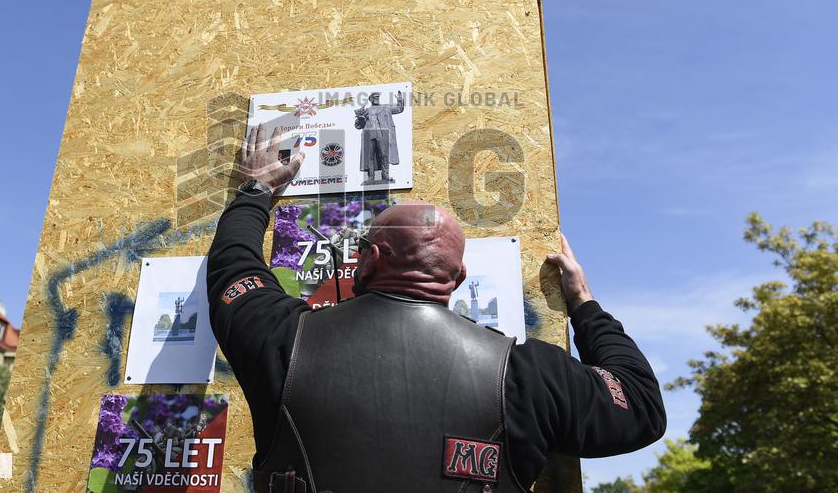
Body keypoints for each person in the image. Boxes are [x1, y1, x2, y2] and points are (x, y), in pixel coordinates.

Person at [208, 123, 666, 492]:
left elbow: (234, 269)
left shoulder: (283, 339)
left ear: (370, 258)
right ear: (458, 278)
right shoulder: (529, 375)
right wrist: (585, 305)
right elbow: (641, 405)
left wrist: (257, 190)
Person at [353, 90, 405, 183]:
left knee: (384, 154)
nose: (376, 98)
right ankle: (371, 177)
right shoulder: (366, 111)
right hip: (369, 134)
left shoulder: (386, 108)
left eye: (378, 96)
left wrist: (400, 100)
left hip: (382, 134)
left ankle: (385, 175)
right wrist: (359, 117)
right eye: (374, 96)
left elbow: (399, 109)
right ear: (370, 99)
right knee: (370, 156)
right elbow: (358, 126)